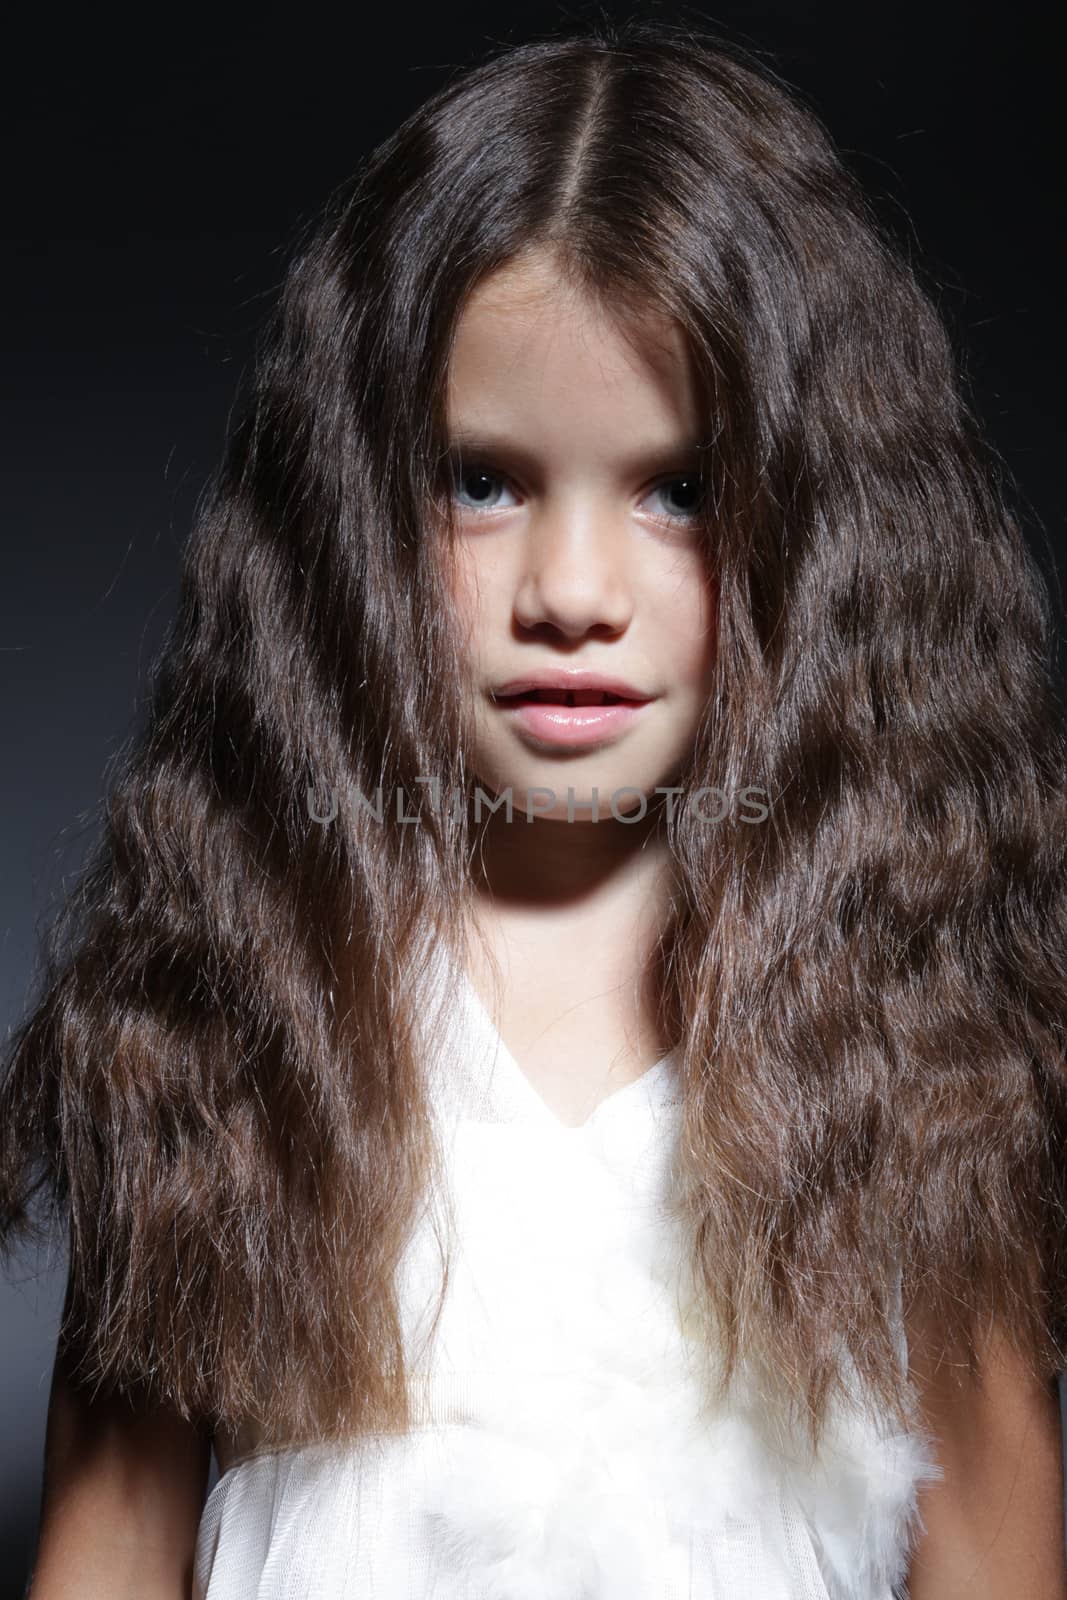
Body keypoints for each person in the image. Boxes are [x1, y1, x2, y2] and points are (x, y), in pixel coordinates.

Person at [4, 16, 1066, 1600]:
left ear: (827, 534)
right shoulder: (230, 1025)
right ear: (349, 514)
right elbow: (108, 1559)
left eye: (680, 490)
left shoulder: (923, 1066)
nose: (573, 594)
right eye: (485, 481)